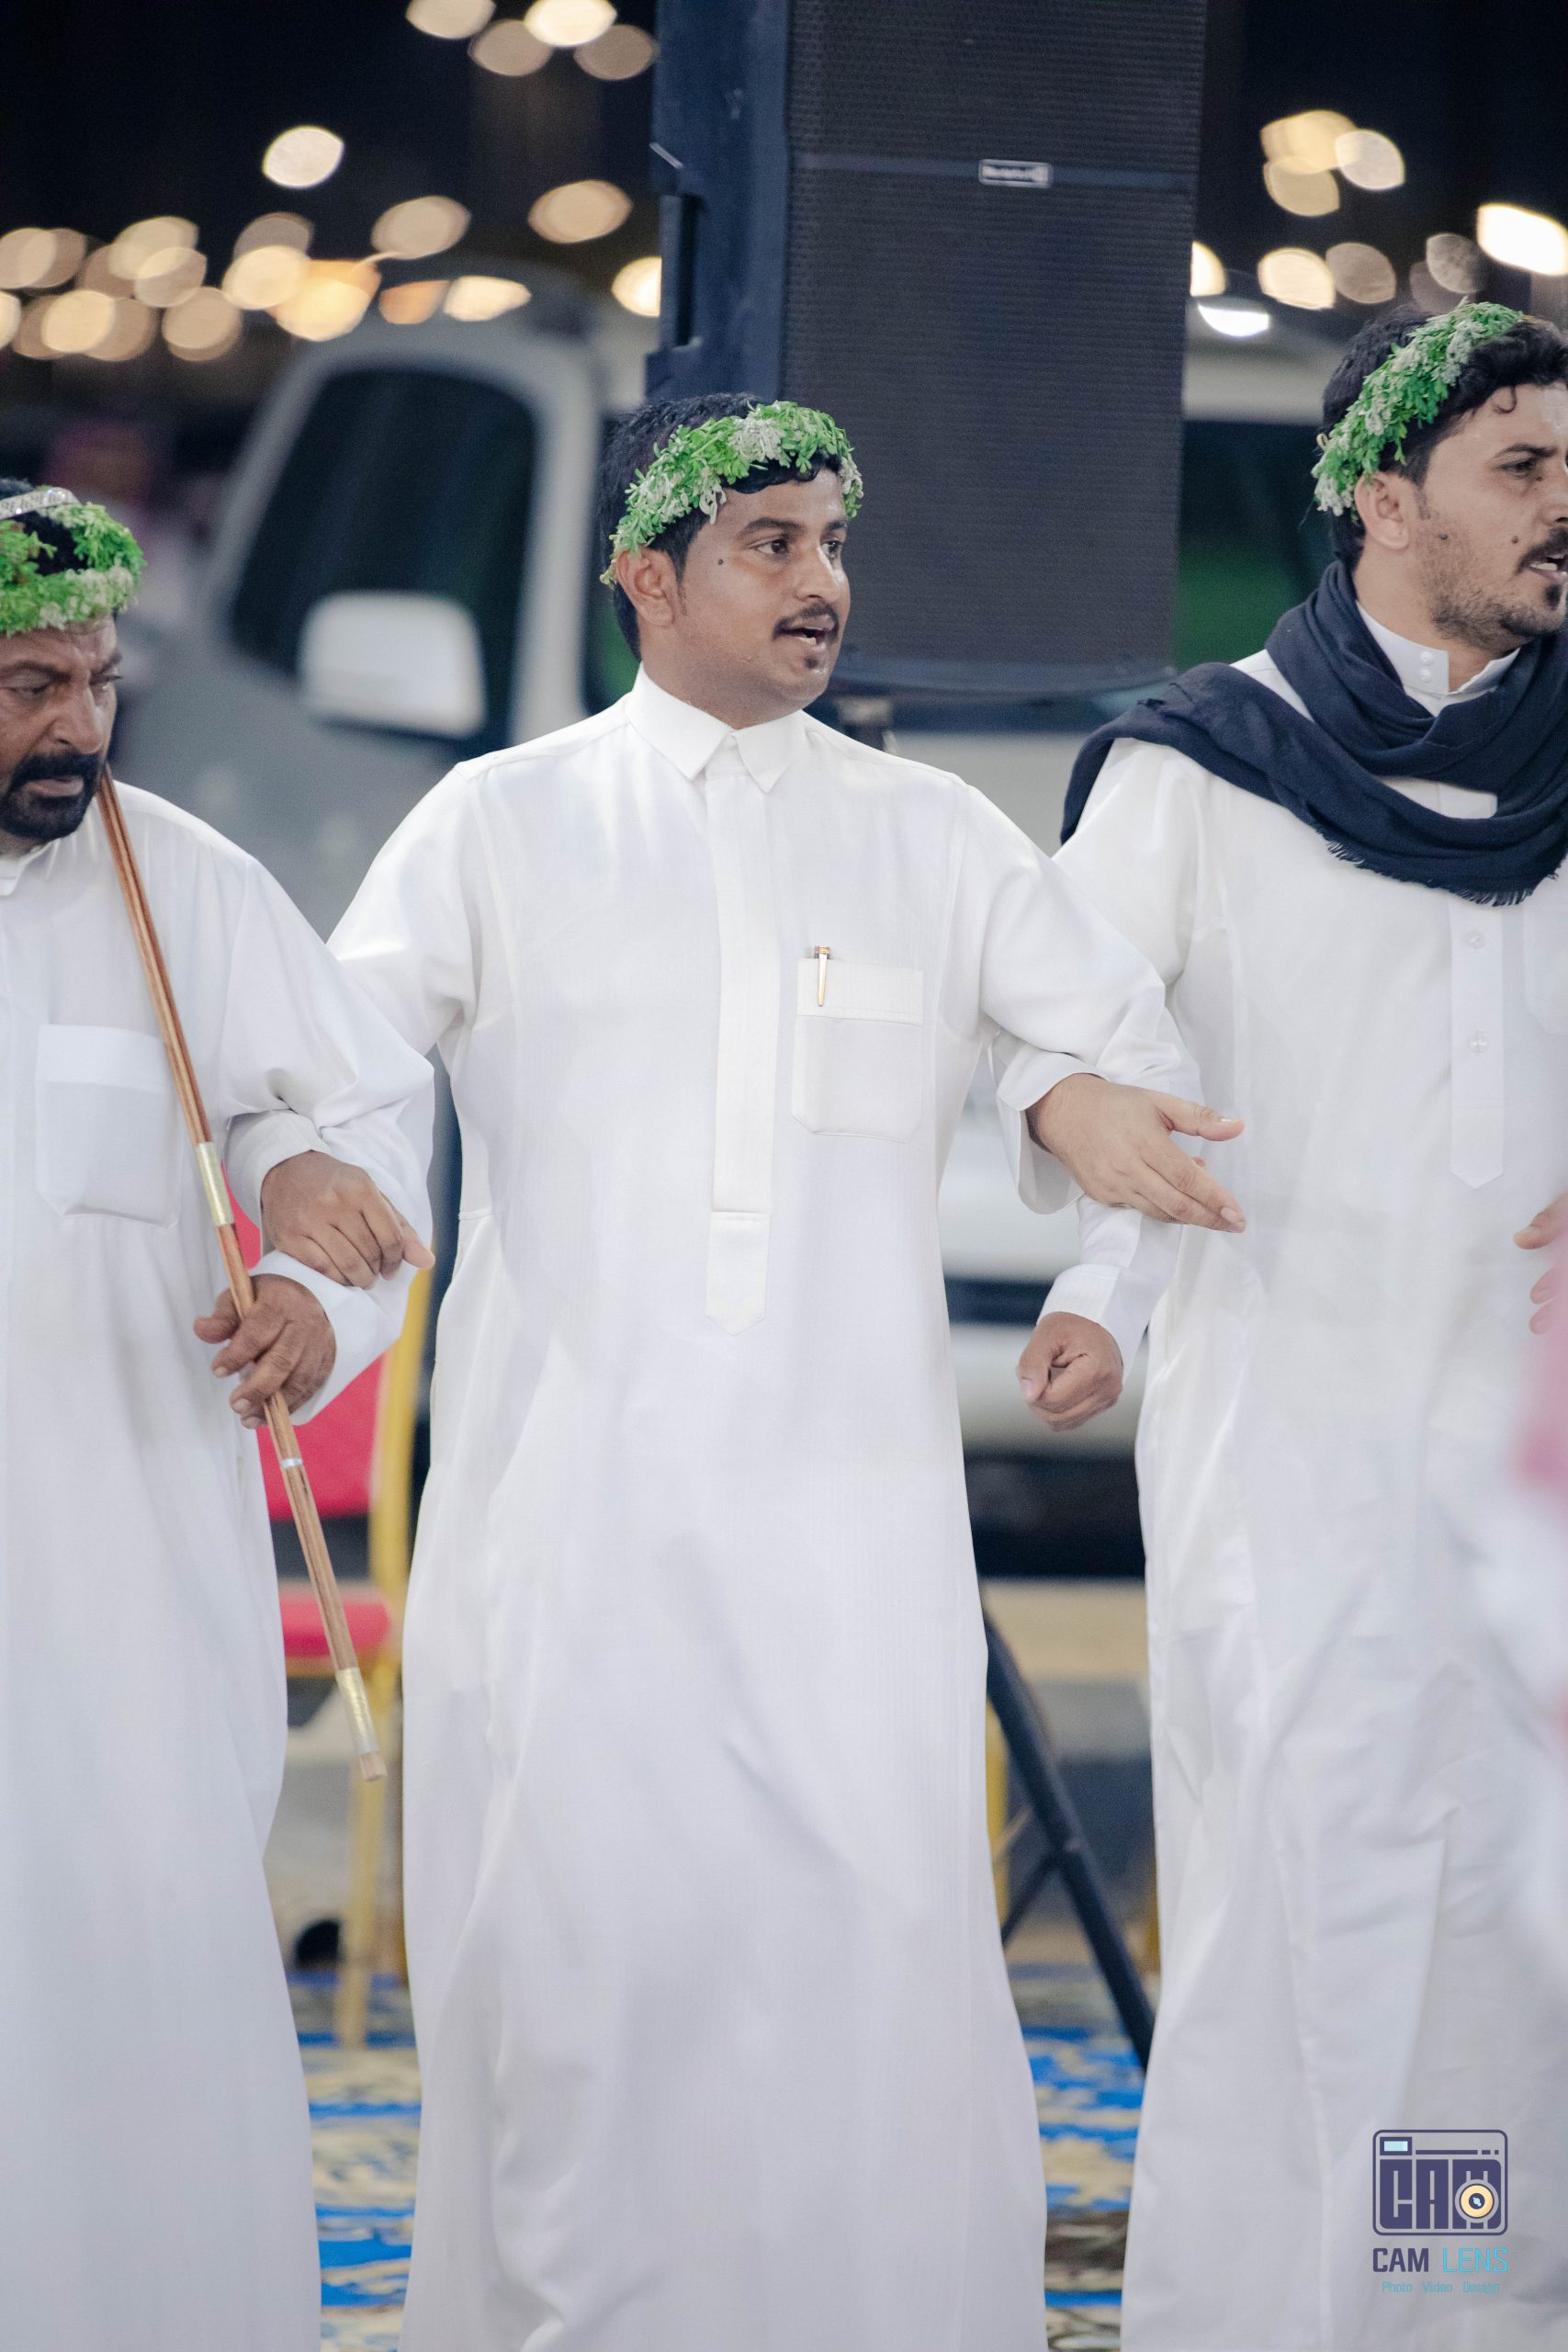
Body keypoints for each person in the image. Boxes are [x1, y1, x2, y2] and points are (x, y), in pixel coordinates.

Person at [328, 393, 1246, 2352]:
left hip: (849, 1540)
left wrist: (1102, 1265)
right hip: (573, 1527)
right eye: (768, 542)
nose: (820, 581)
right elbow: (323, 1077)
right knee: (581, 1976)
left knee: (861, 1964)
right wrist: (304, 1259)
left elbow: (1115, 1060)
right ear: (644, 577)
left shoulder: (930, 835)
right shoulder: (499, 822)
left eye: (831, 542)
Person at [1013, 304, 1568, 2348]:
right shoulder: (1202, 763)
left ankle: (1458, 2304)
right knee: (1307, 1895)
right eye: (1521, 469)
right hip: (1294, 1440)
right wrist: (1095, 1268)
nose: (1564, 508)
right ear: (1381, 496)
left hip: (1531, 1466)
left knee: (1505, 1916)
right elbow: (1081, 1043)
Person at [0, 479, 434, 2352]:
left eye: (98, 680)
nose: (75, 726)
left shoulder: (184, 885)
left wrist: (310, 1262)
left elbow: (351, 1121)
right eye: (29, 685)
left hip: (120, 1582)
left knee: (136, 1963)